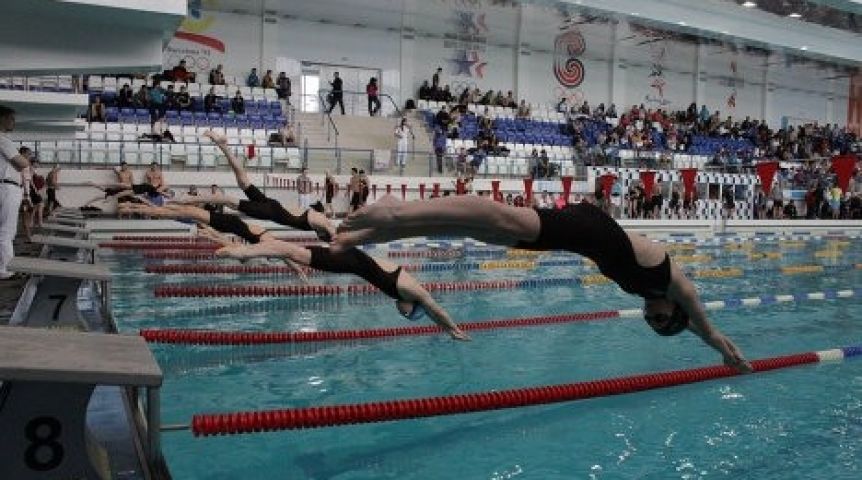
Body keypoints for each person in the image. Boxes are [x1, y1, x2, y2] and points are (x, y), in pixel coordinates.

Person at [334, 195, 753, 372]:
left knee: (491, 233)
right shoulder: (677, 286)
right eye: (660, 321)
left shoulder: (653, 295)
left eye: (653, 324)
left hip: (581, 239)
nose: (651, 319)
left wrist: (706, 340)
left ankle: (374, 233)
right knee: (500, 219)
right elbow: (706, 326)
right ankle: (396, 211)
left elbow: (688, 325)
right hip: (593, 230)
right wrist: (723, 350)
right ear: (674, 310)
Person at [121, 203, 469, 340]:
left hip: (350, 262)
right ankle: (246, 254)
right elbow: (435, 307)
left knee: (290, 250)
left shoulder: (399, 291)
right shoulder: (411, 292)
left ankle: (248, 253)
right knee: (289, 249)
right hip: (349, 261)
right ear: (410, 308)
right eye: (408, 316)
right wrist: (451, 328)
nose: (402, 314)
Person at [172, 131, 335, 241]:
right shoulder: (318, 223)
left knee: (243, 182)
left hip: (272, 205)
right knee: (228, 200)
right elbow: (330, 229)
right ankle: (190, 199)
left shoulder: (315, 224)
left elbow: (329, 227)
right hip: (270, 211)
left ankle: (223, 146)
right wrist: (336, 238)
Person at [0, 107, 30, 280]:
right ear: (2, 118)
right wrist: (22, 160)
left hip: (6, 186)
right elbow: (22, 163)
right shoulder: (3, 139)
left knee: (5, 230)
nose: (14, 121)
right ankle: (6, 270)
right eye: (11, 118)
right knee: (7, 231)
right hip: (7, 187)